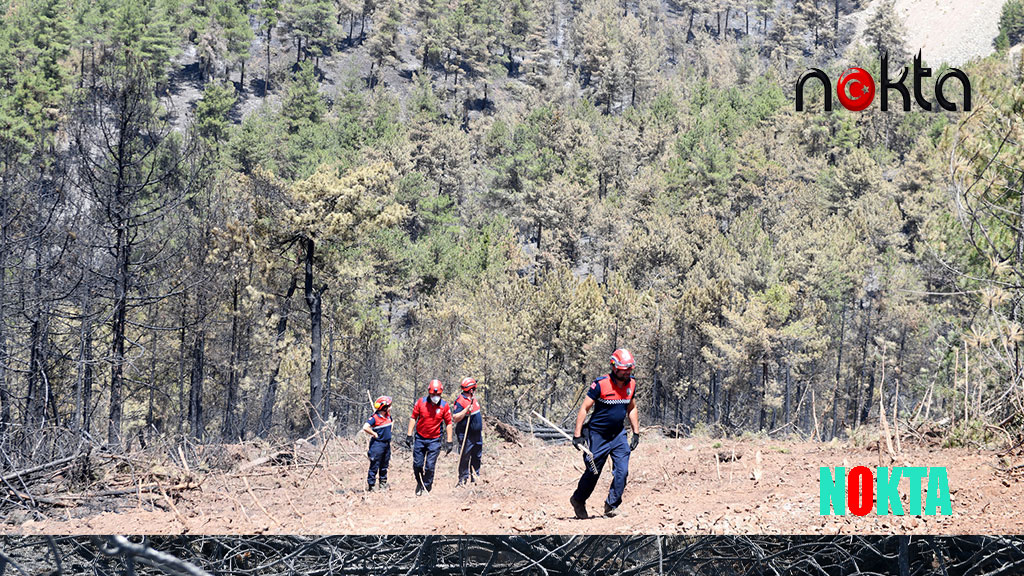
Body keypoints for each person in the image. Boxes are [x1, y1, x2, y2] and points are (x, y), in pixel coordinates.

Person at [569, 348, 641, 519]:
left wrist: (636, 432)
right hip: (598, 435)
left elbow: (632, 408)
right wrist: (577, 434)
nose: (628, 373)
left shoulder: (632, 384)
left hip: (618, 435)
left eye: (630, 369)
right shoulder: (601, 384)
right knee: (593, 471)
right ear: (614, 367)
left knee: (622, 471)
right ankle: (578, 500)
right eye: (625, 369)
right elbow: (584, 408)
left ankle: (611, 505)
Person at [405, 379, 453, 495]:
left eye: (437, 394)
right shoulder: (421, 403)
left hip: (435, 440)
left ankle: (426, 487)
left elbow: (449, 423)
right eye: (433, 394)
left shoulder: (444, 406)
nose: (435, 396)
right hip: (420, 438)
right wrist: (409, 435)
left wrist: (449, 441)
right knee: (418, 464)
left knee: (430, 466)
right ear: (429, 393)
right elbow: (413, 417)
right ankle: (419, 483)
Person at [451, 377, 483, 486]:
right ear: (470, 389)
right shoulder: (460, 401)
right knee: (465, 456)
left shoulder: (474, 399)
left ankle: (475, 477)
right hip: (466, 435)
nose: (475, 390)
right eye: (474, 388)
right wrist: (466, 411)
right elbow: (455, 418)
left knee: (477, 456)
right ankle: (463, 479)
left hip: (477, 435)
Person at [362, 395, 393, 492]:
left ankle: (383, 484)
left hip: (386, 445)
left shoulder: (388, 416)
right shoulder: (374, 417)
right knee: (374, 465)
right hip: (377, 445)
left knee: (384, 465)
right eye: (389, 406)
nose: (390, 407)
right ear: (384, 407)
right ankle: (371, 486)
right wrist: (374, 434)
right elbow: (365, 427)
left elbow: (391, 424)